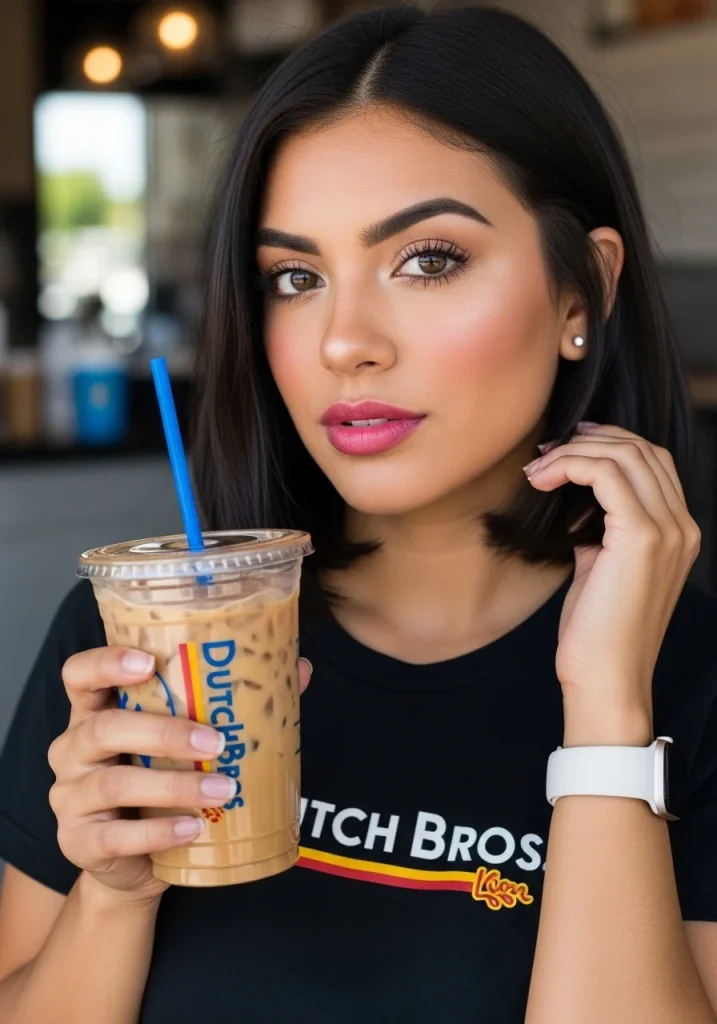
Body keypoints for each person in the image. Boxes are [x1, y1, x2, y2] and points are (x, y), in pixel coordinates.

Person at [0, 5, 716, 1022]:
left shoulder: (691, 681)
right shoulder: (134, 652)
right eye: (295, 278)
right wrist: (115, 896)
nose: (345, 342)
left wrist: (607, 709)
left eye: (428, 258)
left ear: (583, 292)